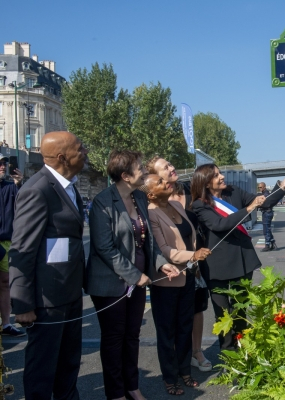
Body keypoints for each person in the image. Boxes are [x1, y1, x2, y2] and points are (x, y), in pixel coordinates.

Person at [9, 131, 88, 399]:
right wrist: (23, 305)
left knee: (68, 365)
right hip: (45, 303)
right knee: (42, 369)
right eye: (80, 148)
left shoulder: (69, 186)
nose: (85, 151)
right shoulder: (37, 189)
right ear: (63, 157)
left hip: (69, 295)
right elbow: (22, 252)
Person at [86, 150, 170, 400]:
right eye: (140, 168)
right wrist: (135, 275)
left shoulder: (140, 199)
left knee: (132, 336)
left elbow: (148, 241)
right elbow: (104, 248)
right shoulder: (102, 202)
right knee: (114, 339)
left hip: (138, 282)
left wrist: (161, 263)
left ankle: (132, 387)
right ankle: (116, 393)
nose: (145, 171)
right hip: (110, 285)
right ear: (125, 175)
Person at [191, 164, 285, 350]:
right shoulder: (200, 204)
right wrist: (248, 209)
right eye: (216, 175)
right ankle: (228, 356)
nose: (222, 177)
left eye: (220, 173)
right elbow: (219, 224)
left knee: (241, 310)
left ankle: (243, 354)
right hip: (217, 266)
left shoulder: (233, 192)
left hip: (242, 260)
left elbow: (264, 202)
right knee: (224, 316)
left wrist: (283, 186)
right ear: (206, 183)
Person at [143, 174, 211, 395]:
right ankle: (169, 377)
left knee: (185, 327)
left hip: (188, 276)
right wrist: (193, 255)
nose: (167, 182)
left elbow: (189, 236)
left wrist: (194, 259)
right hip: (166, 280)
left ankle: (184, 371)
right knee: (167, 332)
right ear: (151, 194)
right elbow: (163, 250)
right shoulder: (151, 213)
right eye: (161, 183)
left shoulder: (175, 204)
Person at [0, 156, 25, 337]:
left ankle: (6, 324)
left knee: (5, 284)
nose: (3, 167)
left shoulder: (11, 187)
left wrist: (19, 184)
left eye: (4, 164)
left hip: (7, 241)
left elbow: (24, 206)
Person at [257, 182, 276, 252]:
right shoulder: (263, 194)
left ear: (264, 187)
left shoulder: (266, 194)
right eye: (259, 187)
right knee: (267, 228)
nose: (259, 188)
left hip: (267, 212)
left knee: (266, 229)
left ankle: (267, 245)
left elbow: (264, 203)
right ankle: (272, 242)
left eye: (261, 187)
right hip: (266, 212)